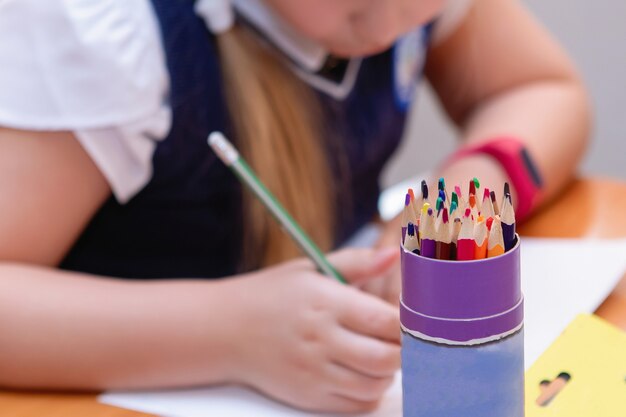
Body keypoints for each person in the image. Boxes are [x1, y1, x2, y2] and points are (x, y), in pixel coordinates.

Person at [0, 0, 590, 413]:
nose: (393, 21)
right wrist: (228, 333)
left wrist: (468, 185)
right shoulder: (109, 35)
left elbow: (539, 89)